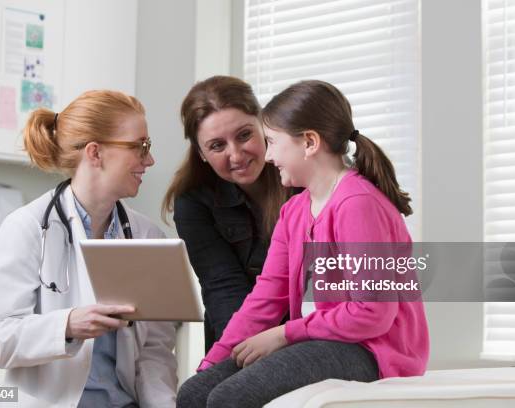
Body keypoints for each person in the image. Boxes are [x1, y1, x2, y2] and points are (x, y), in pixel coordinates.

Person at [176, 80, 429, 408]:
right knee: (194, 394)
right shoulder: (294, 210)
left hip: (373, 350)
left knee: (231, 398)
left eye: (272, 142)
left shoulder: (358, 203)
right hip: (322, 341)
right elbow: (265, 297)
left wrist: (285, 333)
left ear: (309, 142)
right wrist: (212, 364)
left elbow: (373, 313)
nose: (267, 156)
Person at [0, 90, 177, 407]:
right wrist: (68, 326)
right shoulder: (27, 228)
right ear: (95, 153)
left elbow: (155, 351)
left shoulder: (146, 235)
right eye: (140, 146)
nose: (149, 159)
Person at [162, 76, 293, 352]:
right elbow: (222, 288)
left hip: (311, 334)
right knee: (199, 394)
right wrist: (248, 352)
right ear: (201, 153)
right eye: (217, 146)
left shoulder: (306, 176)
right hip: (241, 335)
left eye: (244, 135)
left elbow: (334, 291)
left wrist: (290, 340)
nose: (236, 155)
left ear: (263, 124)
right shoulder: (193, 202)